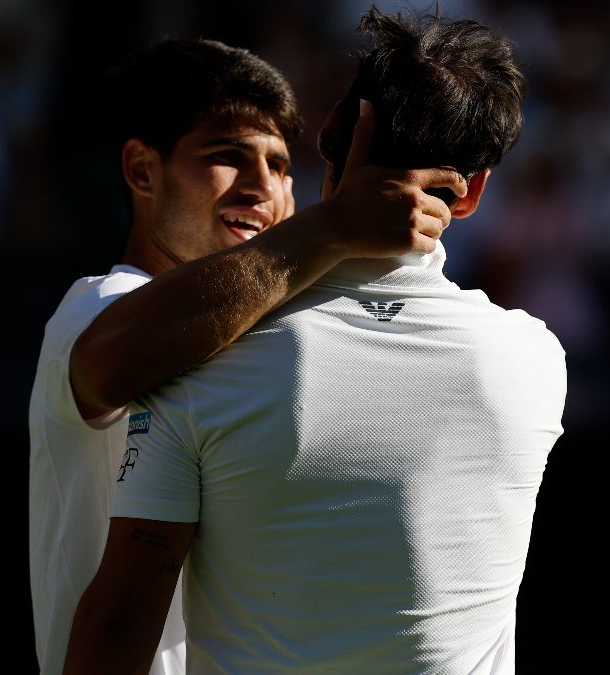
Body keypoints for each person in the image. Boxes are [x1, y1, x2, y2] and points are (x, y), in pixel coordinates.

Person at [64, 7, 566, 674]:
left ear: (331, 136)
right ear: (472, 192)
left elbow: (119, 624)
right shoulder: (537, 359)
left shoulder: (199, 360)